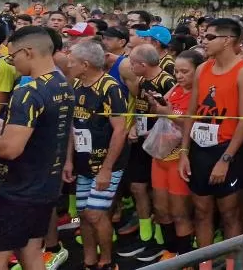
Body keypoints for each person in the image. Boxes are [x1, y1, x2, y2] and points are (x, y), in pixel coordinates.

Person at [0, 27, 75, 270]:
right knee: (30, 251)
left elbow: (10, 149)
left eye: (13, 57)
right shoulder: (62, 83)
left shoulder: (28, 91)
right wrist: (1, 124)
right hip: (47, 186)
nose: (12, 63)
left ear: (28, 52)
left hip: (20, 191)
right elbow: (42, 130)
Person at [179, 18, 243, 249]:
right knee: (202, 211)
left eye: (210, 37)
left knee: (229, 213)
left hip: (227, 149)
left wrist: (226, 159)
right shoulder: (203, 68)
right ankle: (204, 262)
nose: (204, 40)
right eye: (204, 35)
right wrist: (184, 151)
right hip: (199, 148)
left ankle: (233, 263)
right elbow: (191, 112)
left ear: (227, 41)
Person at [63, 41, 129, 270]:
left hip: (106, 164)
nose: (67, 65)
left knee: (95, 214)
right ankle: (89, 260)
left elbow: (121, 130)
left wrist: (107, 169)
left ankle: (108, 261)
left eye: (71, 62)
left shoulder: (111, 88)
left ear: (85, 64)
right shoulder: (75, 86)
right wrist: (69, 160)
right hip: (82, 162)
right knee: (83, 214)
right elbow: (73, 127)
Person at [117, 44, 178, 262]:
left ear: (142, 64)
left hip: (161, 144)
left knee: (156, 193)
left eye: (131, 62)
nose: (128, 65)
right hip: (142, 140)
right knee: (137, 186)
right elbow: (140, 107)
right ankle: (146, 235)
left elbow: (172, 115)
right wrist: (133, 125)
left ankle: (162, 240)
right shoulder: (142, 81)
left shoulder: (166, 81)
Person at [145, 49, 202, 260]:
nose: (179, 75)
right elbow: (162, 112)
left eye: (185, 71)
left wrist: (168, 113)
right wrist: (157, 103)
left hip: (180, 158)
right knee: (161, 209)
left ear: (198, 72)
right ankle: (170, 249)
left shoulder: (199, 93)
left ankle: (185, 255)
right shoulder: (176, 89)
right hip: (160, 156)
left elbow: (194, 125)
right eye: (177, 71)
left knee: (180, 212)